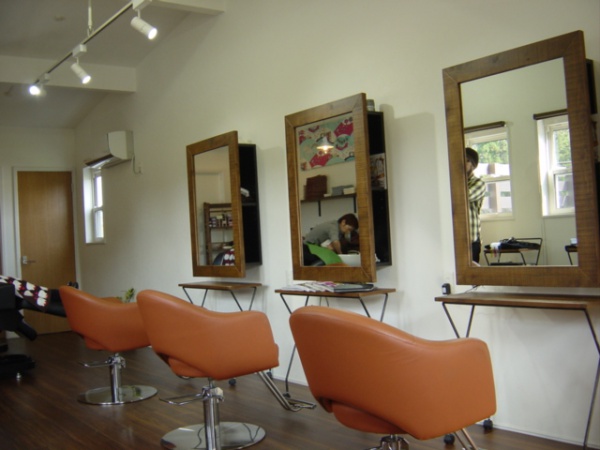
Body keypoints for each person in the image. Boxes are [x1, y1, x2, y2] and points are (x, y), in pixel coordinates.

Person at [466, 148, 486, 264]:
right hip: (455, 239)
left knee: (472, 273)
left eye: (467, 160)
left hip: (472, 239)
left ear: (473, 165)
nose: (463, 163)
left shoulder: (478, 183)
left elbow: (465, 196)